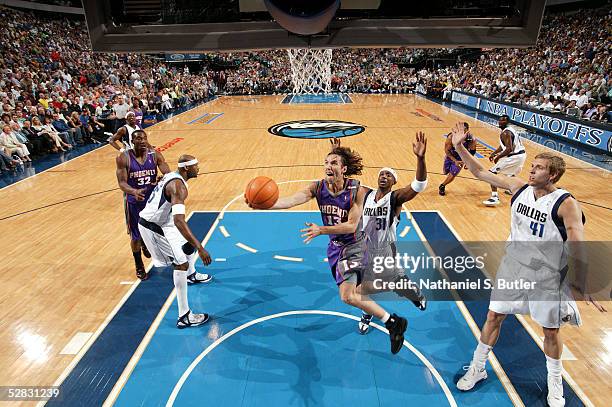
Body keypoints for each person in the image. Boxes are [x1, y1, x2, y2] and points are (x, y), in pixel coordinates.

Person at [449, 122, 606, 407]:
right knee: (494, 316)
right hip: (513, 267)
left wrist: (582, 279)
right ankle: (478, 367)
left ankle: (554, 383)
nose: (531, 170)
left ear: (554, 174)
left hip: (547, 276)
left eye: (539, 167)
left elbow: (577, 241)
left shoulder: (566, 203)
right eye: (532, 165)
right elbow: (481, 172)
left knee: (550, 331)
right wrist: (459, 146)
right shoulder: (519, 187)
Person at [249, 141, 409, 354]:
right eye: (326, 162)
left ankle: (393, 322)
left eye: (333, 162)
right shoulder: (317, 187)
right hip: (336, 248)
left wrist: (321, 230)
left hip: (355, 245)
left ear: (343, 169)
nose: (328, 166)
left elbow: (352, 225)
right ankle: (371, 312)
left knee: (347, 296)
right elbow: (289, 201)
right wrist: (264, 204)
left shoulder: (357, 191)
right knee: (358, 293)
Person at [341, 133, 429, 335]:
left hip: (386, 252)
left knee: (391, 282)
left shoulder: (395, 199)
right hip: (364, 250)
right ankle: (368, 313)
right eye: (381, 173)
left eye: (388, 175)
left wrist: (420, 158)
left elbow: (418, 185)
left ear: (393, 182)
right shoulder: (366, 194)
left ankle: (412, 293)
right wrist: (338, 153)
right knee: (360, 290)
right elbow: (344, 182)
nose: (383, 176)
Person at [138, 155, 213, 328]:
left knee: (188, 245)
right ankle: (184, 315)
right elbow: (180, 221)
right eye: (195, 166)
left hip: (164, 221)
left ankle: (191, 275)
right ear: (186, 169)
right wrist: (201, 248)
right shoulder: (178, 187)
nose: (198, 168)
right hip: (153, 227)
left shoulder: (173, 176)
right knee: (181, 264)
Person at [116, 129, 171, 280]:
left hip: (152, 201)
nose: (141, 141)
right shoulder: (124, 157)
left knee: (158, 229)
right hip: (134, 202)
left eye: (144, 138)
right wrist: (133, 191)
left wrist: (165, 177)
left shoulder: (155, 155)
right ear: (132, 141)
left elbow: (166, 169)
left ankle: (148, 245)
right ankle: (139, 264)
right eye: (138, 139)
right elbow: (121, 182)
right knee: (135, 237)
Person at [483, 115, 526, 206]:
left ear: (507, 122)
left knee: (491, 174)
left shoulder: (506, 133)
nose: (500, 122)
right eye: (500, 120)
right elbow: (505, 146)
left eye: (503, 121)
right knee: (511, 175)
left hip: (514, 157)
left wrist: (498, 157)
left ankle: (494, 198)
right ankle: (514, 189)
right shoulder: (510, 130)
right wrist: (494, 153)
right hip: (521, 155)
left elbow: (509, 149)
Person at [439, 122, 477, 196]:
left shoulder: (471, 139)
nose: (462, 132)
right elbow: (447, 151)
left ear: (467, 130)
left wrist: (468, 162)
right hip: (451, 155)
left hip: (461, 158)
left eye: (464, 130)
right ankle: (448, 169)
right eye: (460, 130)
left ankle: (442, 186)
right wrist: (454, 160)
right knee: (445, 172)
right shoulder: (451, 137)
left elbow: (472, 152)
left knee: (453, 173)